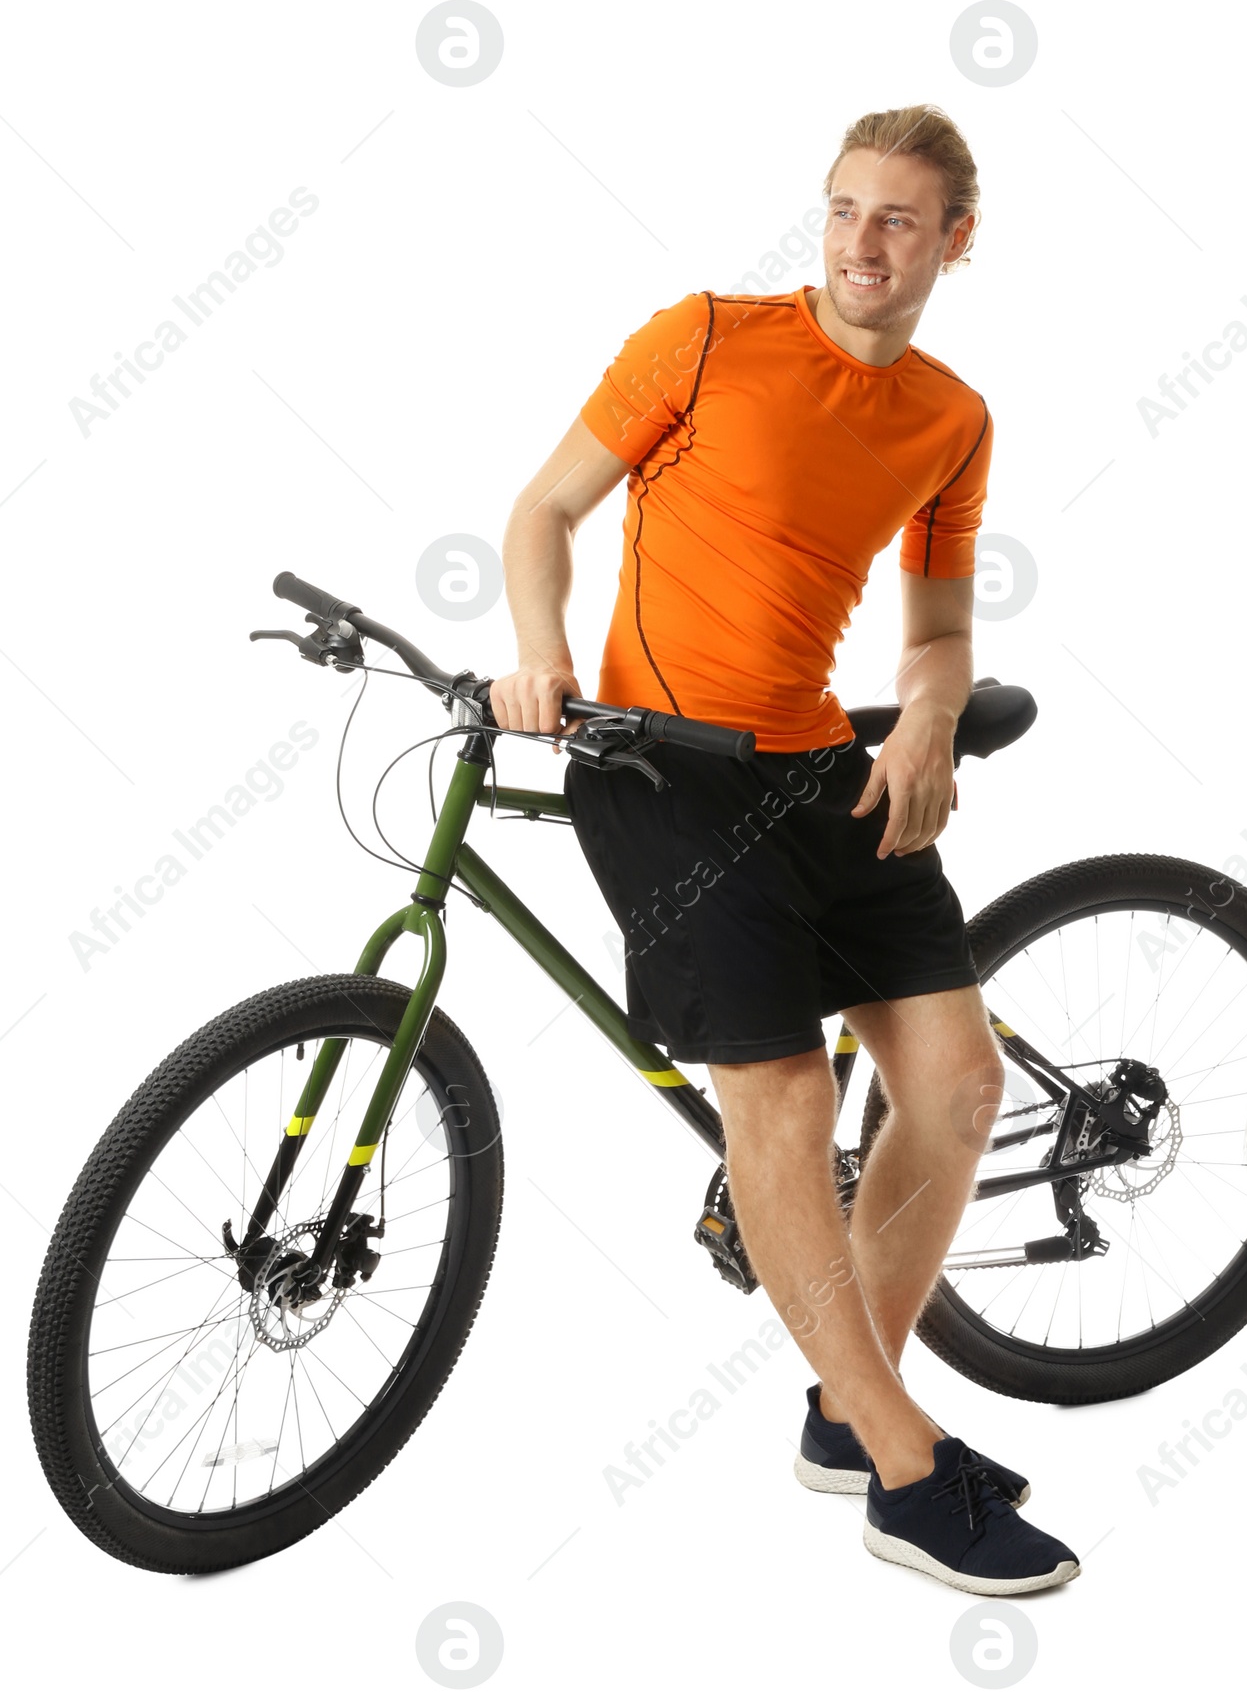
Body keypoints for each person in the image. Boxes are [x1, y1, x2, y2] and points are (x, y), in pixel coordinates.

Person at [491, 104, 1079, 1597]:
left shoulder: (953, 418)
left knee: (955, 1087)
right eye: (840, 211)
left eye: (896, 219)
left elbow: (937, 632)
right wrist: (542, 657)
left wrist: (927, 722)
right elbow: (545, 510)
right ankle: (904, 1461)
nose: (859, 245)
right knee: (787, 1093)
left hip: (824, 768)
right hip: (657, 769)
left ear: (957, 240)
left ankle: (841, 1407)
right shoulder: (699, 339)